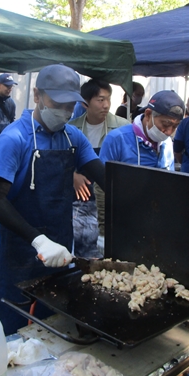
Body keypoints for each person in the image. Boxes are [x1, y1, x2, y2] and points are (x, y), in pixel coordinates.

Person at [0, 64, 105, 335]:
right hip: (22, 250)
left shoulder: (73, 138)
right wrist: (37, 240)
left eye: (70, 105)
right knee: (14, 324)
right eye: (57, 103)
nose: (64, 112)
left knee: (52, 324)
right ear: (37, 95)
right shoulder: (14, 138)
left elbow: (106, 178)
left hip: (61, 251)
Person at [68, 79, 129, 256]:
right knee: (83, 251)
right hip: (81, 203)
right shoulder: (72, 129)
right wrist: (73, 176)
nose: (106, 105)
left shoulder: (122, 127)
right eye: (100, 100)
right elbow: (61, 162)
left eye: (108, 99)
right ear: (84, 103)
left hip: (111, 201)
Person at [100, 90, 184, 171]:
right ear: (148, 115)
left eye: (175, 126)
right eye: (165, 124)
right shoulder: (117, 139)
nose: (169, 132)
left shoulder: (167, 143)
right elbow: (101, 181)